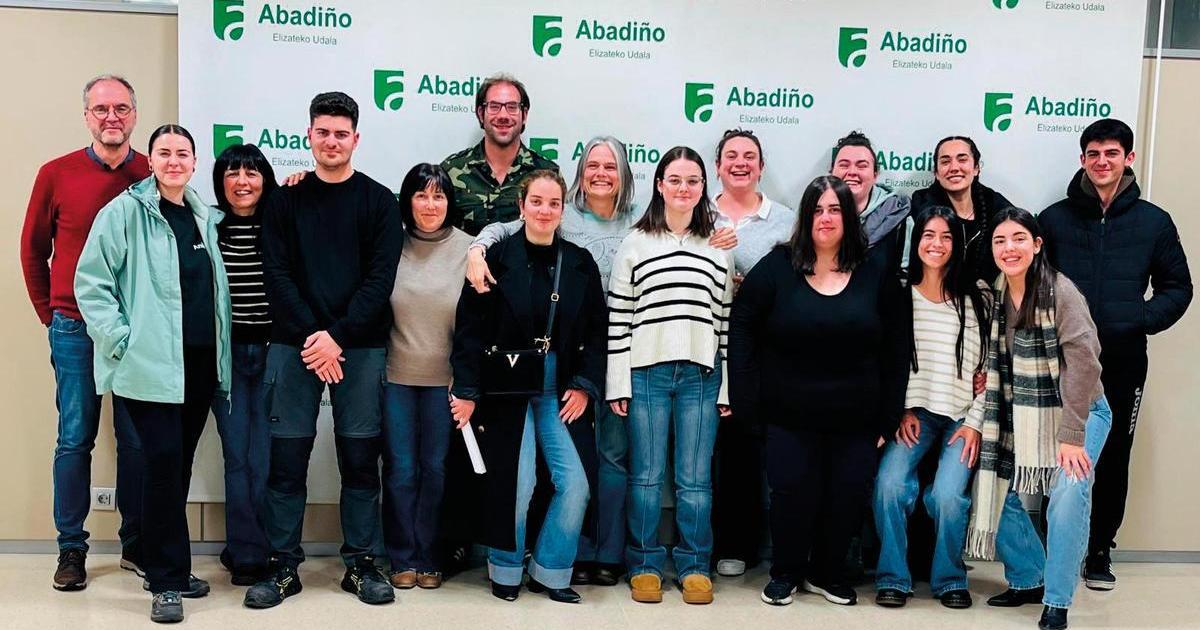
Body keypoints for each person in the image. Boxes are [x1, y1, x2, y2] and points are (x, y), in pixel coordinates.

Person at [463, 137, 735, 587]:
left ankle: (607, 554)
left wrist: (722, 232)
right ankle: (569, 556)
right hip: (584, 359)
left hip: (611, 358)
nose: (601, 173)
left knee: (613, 461)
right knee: (556, 470)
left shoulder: (641, 220)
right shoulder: (563, 213)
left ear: (626, 174)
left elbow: (693, 223)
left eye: (611, 166)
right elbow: (509, 227)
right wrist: (477, 249)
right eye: (593, 165)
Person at [245, 92, 403, 609]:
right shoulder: (283, 201)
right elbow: (276, 274)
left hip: (360, 348)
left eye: (341, 134)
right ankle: (282, 566)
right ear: (309, 136)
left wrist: (336, 337)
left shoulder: (379, 202)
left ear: (355, 139)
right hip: (294, 346)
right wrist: (316, 336)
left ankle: (360, 564)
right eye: (323, 132)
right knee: (286, 461)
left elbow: (380, 280)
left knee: (360, 461)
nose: (331, 141)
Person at [74, 124, 231, 623]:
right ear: (151, 159)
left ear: (194, 161)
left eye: (183, 153)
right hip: (149, 366)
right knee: (162, 464)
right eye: (164, 152)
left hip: (198, 365)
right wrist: (122, 341)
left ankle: (169, 564)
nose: (174, 161)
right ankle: (165, 581)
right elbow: (91, 283)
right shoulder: (124, 212)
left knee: (177, 467)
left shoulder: (203, 216)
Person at [729, 175, 906, 608]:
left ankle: (827, 573)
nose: (826, 218)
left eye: (835, 210)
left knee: (846, 496)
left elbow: (897, 347)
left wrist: (888, 417)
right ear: (805, 217)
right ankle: (785, 573)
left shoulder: (875, 271)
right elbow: (743, 329)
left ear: (849, 217)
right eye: (818, 210)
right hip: (787, 415)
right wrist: (746, 402)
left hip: (856, 418)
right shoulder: (777, 267)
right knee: (790, 495)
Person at [1037, 119, 1192, 591]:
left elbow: (1178, 288)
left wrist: (1136, 319)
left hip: (1123, 361)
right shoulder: (1054, 219)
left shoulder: (1153, 222)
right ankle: (1055, 547)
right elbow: (1033, 283)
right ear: (1082, 159)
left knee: (1113, 454)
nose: (1102, 161)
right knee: (1057, 451)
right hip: (1062, 362)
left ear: (1128, 158)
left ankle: (1100, 549)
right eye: (1093, 153)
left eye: (1111, 153)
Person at [451, 170, 606, 604]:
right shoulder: (495, 258)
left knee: (576, 482)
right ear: (521, 206)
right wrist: (467, 391)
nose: (544, 210)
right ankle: (505, 568)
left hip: (561, 388)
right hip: (506, 389)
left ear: (562, 210)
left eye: (553, 203)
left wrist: (585, 385)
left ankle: (551, 570)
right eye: (536, 201)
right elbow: (469, 330)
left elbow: (597, 333)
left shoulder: (580, 263)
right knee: (515, 484)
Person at [20, 74, 147, 591]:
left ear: (134, 115)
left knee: (137, 440)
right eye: (101, 109)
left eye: (121, 108)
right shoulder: (55, 174)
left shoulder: (152, 172)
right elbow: (33, 250)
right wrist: (50, 314)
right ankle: (70, 548)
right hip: (73, 328)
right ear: (87, 116)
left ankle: (136, 544)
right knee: (75, 438)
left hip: (137, 331)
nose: (111, 117)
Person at [968, 207, 1112, 630]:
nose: (1008, 248)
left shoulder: (1060, 292)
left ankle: (1057, 601)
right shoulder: (997, 294)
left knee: (1068, 492)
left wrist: (1072, 434)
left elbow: (1084, 364)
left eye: (1018, 239)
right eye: (1000, 241)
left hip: (1082, 411)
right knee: (995, 485)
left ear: (1036, 244)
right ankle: (1029, 576)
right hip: (1023, 410)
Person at [607, 146, 736, 606]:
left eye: (693, 181)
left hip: (702, 376)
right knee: (646, 476)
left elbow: (725, 321)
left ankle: (694, 565)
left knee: (695, 480)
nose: (684, 188)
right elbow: (619, 318)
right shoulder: (635, 243)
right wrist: (618, 382)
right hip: (646, 375)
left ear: (703, 188)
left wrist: (727, 384)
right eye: (675, 180)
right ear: (659, 185)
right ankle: (644, 563)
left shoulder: (718, 247)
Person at [873, 206, 991, 609]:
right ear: (916, 241)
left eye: (946, 236)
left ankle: (949, 578)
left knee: (946, 496)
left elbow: (989, 367)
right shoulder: (899, 294)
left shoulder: (978, 296)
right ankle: (893, 577)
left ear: (957, 244)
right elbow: (888, 361)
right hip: (915, 414)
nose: (936, 244)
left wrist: (975, 423)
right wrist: (901, 410)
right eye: (928, 235)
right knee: (889, 485)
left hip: (963, 416)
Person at [709, 128, 796, 578]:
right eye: (731, 156)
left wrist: (756, 290)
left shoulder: (786, 221)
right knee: (715, 455)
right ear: (718, 166)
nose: (740, 163)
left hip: (763, 354)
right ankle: (718, 544)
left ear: (761, 167)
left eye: (749, 156)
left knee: (754, 449)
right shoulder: (697, 213)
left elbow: (799, 281)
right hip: (705, 347)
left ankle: (757, 546)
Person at [381, 163, 471, 590]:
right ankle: (401, 556)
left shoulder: (469, 249)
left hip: (445, 382)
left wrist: (466, 378)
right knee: (400, 470)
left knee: (436, 470)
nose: (430, 205)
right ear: (408, 201)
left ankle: (430, 556)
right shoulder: (390, 245)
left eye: (438, 196)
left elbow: (476, 324)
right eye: (421, 195)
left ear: (450, 202)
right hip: (395, 377)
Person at [208, 143, 278, 586]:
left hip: (273, 352)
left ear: (265, 180)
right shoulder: (209, 226)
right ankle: (247, 552)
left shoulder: (280, 223)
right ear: (221, 182)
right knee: (237, 455)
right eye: (232, 173)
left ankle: (257, 545)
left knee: (264, 455)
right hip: (227, 354)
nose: (242, 181)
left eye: (251, 173)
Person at [441, 73, 558, 235]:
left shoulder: (547, 173)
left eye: (512, 107)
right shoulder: (451, 171)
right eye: (494, 106)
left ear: (524, 115)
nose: (503, 115)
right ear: (481, 113)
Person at [911, 136, 1014, 287]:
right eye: (945, 162)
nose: (954, 167)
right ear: (936, 173)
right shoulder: (921, 205)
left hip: (986, 296)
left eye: (962, 159)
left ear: (976, 168)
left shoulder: (993, 203)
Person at [829, 130, 911, 263]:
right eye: (844, 165)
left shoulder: (898, 216)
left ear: (875, 175)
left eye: (862, 166)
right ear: (831, 172)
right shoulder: (815, 214)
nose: (852, 172)